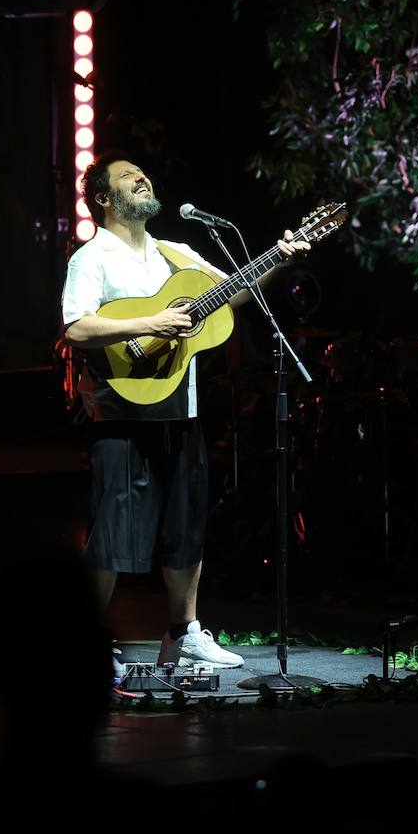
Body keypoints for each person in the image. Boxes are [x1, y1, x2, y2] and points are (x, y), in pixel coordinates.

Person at [60, 150, 310, 675]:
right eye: (129, 177)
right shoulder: (92, 258)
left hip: (183, 408)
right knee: (112, 533)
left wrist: (281, 256)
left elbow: (233, 293)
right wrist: (148, 323)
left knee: (186, 526)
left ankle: (183, 634)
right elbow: (77, 329)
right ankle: (81, 638)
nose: (142, 178)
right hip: (123, 413)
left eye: (144, 173)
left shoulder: (177, 252)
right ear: (104, 198)